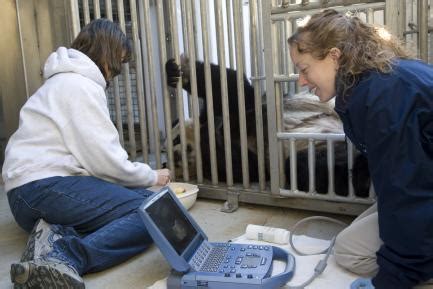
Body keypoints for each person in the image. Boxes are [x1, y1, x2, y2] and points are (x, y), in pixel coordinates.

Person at [2, 18, 171, 288]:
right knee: (150, 213)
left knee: (145, 200)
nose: (114, 75)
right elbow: (106, 162)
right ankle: (61, 258)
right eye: (118, 62)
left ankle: (50, 235)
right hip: (40, 187)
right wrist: (151, 175)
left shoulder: (64, 81)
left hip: (30, 192)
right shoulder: (79, 86)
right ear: (109, 54)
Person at [288, 9, 433, 289]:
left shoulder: (381, 99)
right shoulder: (376, 81)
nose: (300, 81)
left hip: (422, 191)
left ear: (334, 56)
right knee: (355, 236)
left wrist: (389, 280)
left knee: (350, 252)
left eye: (304, 69)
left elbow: (409, 196)